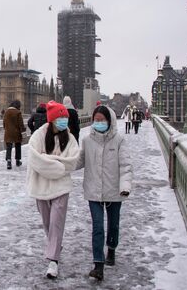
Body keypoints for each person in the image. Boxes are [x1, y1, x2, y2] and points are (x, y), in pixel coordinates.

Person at [77, 105, 132, 281]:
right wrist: (59, 165)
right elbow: (79, 161)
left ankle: (112, 248)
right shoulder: (87, 140)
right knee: (98, 227)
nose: (98, 123)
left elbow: (125, 165)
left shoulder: (119, 140)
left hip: (114, 190)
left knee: (113, 225)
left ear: (109, 121)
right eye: (96, 120)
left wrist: (125, 186)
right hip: (93, 190)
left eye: (102, 120)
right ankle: (98, 265)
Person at [27, 101, 80, 279]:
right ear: (52, 119)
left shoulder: (70, 138)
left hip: (61, 187)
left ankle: (53, 261)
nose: (65, 120)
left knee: (56, 222)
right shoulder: (38, 136)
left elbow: (72, 161)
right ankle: (55, 245)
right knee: (48, 222)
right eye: (62, 117)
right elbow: (35, 159)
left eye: (66, 117)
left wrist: (47, 160)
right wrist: (57, 164)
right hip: (40, 186)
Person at [3, 100, 26, 169]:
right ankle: (17, 161)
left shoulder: (6, 112)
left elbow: (4, 123)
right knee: (18, 146)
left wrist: (6, 129)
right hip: (16, 133)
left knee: (9, 147)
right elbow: (20, 124)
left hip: (8, 132)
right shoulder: (18, 112)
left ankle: (9, 162)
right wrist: (23, 130)